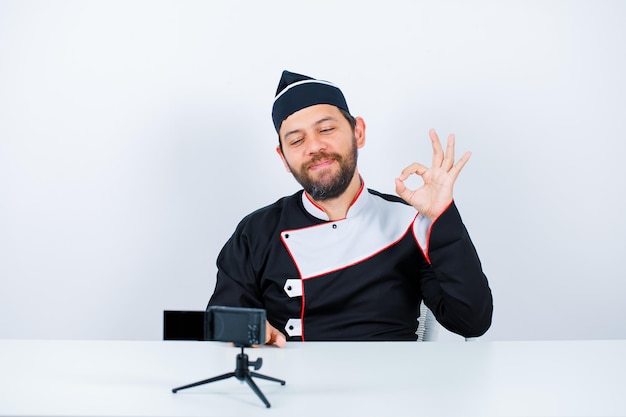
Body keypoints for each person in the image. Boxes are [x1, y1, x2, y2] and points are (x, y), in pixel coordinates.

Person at [208, 70, 493, 346]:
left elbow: (472, 321)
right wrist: (250, 331)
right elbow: (216, 324)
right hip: (290, 389)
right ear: (283, 157)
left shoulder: (409, 220)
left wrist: (442, 217)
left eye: (326, 129)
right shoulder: (256, 232)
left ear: (358, 132)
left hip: (393, 387)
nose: (315, 146)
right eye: (297, 140)